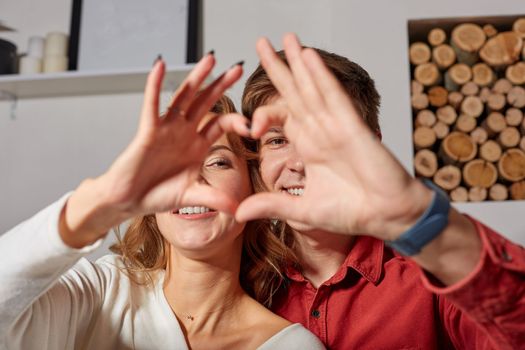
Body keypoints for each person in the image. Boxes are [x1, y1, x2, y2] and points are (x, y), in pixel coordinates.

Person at [0, 53, 324, 350]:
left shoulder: (293, 345)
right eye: (172, 168)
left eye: (218, 162)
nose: (191, 180)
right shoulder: (102, 290)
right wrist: (103, 200)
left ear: (253, 188)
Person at [236, 33, 525, 349]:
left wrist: (422, 223)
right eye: (277, 141)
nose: (299, 163)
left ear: (371, 147)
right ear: (257, 158)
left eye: (323, 139)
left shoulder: (431, 275)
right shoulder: (239, 277)